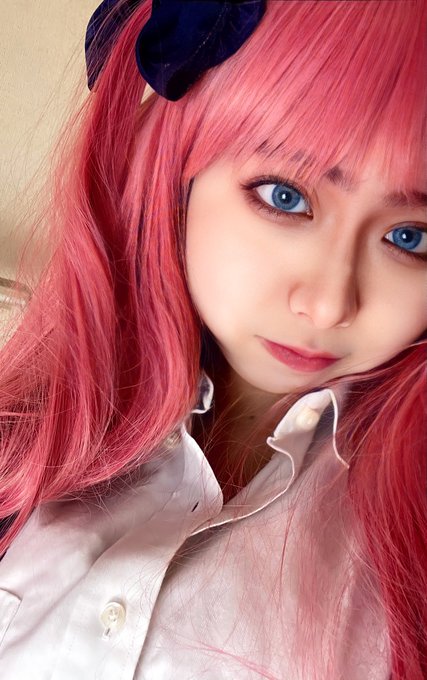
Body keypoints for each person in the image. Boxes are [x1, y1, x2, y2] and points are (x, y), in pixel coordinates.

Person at [0, 1, 425, 678]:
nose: (326, 304)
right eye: (284, 197)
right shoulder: (28, 437)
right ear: (178, 173)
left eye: (409, 238)